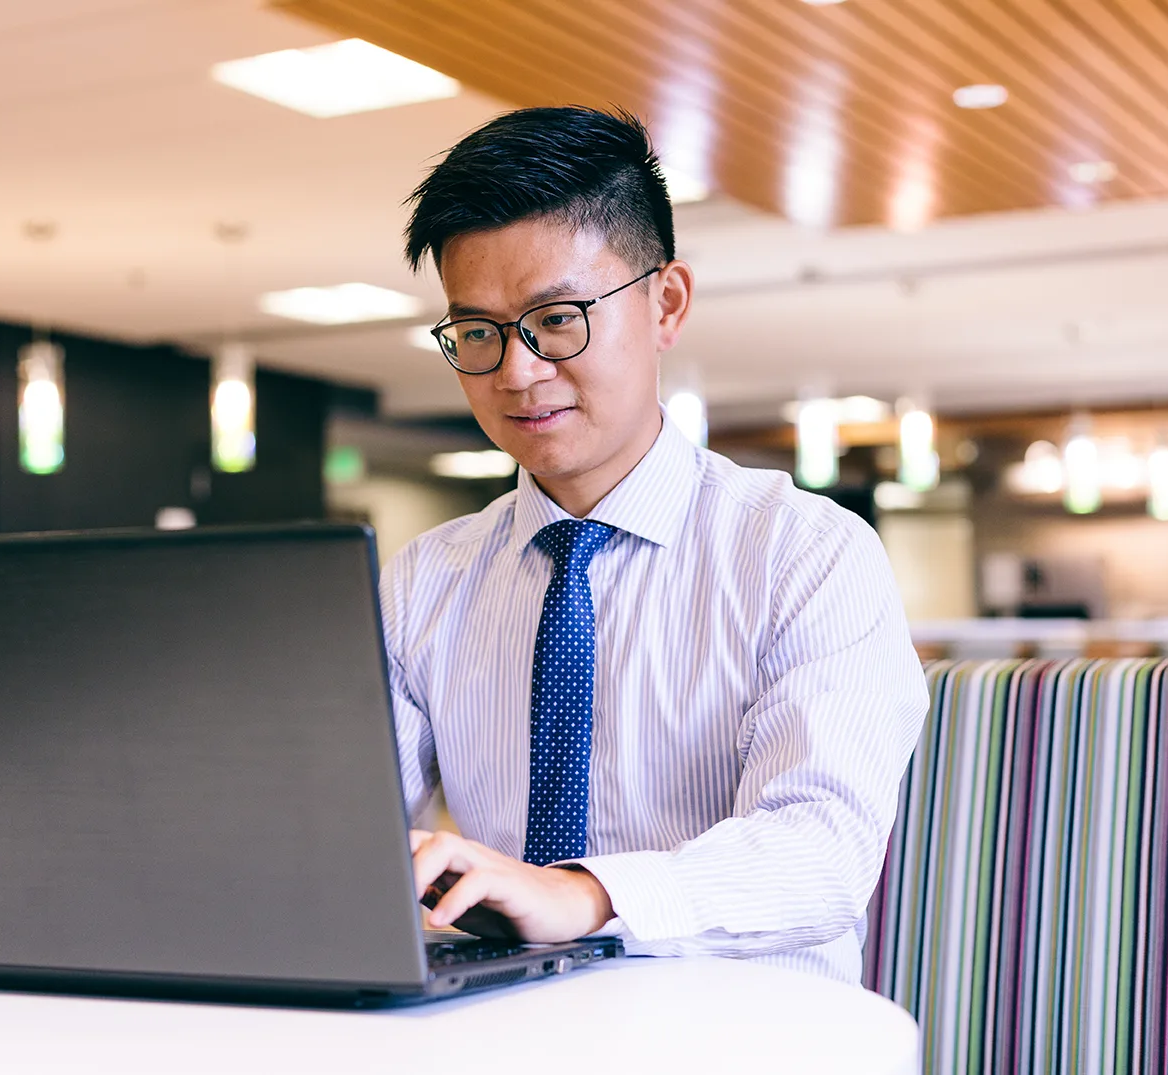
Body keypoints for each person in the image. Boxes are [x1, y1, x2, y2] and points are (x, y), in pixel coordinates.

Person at [385, 105, 928, 982]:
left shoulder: (806, 553)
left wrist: (587, 894)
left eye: (556, 318)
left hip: (745, 1033)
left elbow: (823, 848)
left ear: (664, 301)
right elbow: (348, 825)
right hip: (502, 1029)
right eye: (477, 333)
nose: (516, 372)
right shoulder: (425, 580)